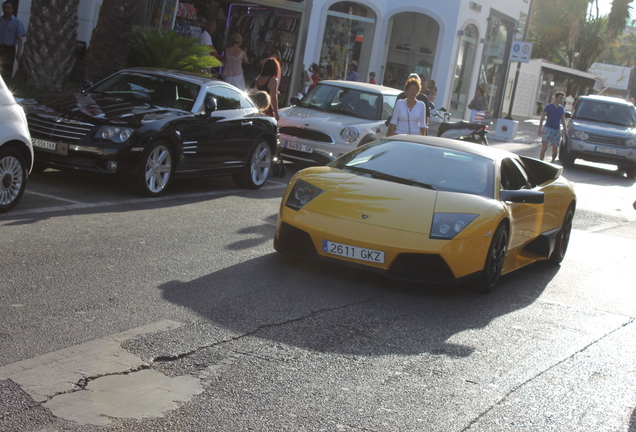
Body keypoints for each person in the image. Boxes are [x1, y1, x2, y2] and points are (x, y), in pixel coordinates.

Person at [538, 91, 567, 162]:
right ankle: (540, 161)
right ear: (556, 97)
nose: (561, 100)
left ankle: (553, 160)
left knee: (555, 148)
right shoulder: (549, 106)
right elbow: (542, 118)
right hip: (548, 128)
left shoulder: (561, 108)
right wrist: (540, 129)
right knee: (544, 147)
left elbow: (563, 120)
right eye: (560, 98)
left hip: (556, 130)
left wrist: (565, 129)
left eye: (562, 98)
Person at [0, 0, 26, 79]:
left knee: (7, 69)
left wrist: (19, 52)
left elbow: (19, 38)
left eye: (8, 8)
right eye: (4, 7)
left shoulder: (17, 22)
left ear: (12, 9)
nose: (6, 9)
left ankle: (5, 85)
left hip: (9, 48)